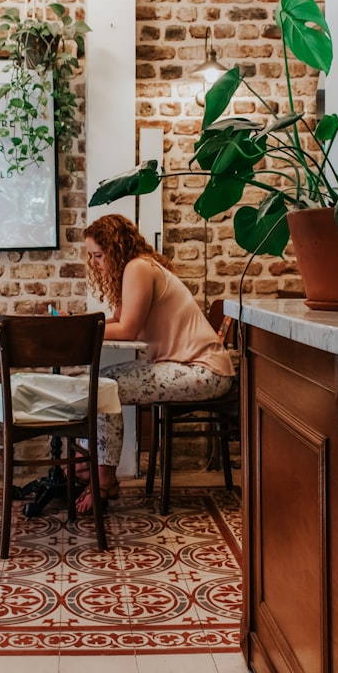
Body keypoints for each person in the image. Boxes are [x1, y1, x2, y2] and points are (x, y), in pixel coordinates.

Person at [77, 213, 236, 513]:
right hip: (189, 367)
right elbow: (118, 320)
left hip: (204, 370)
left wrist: (77, 331)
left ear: (115, 248)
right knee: (102, 382)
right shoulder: (136, 268)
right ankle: (92, 469)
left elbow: (127, 330)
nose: (95, 263)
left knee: (103, 387)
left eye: (98, 255)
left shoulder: (138, 268)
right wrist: (79, 324)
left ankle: (102, 479)